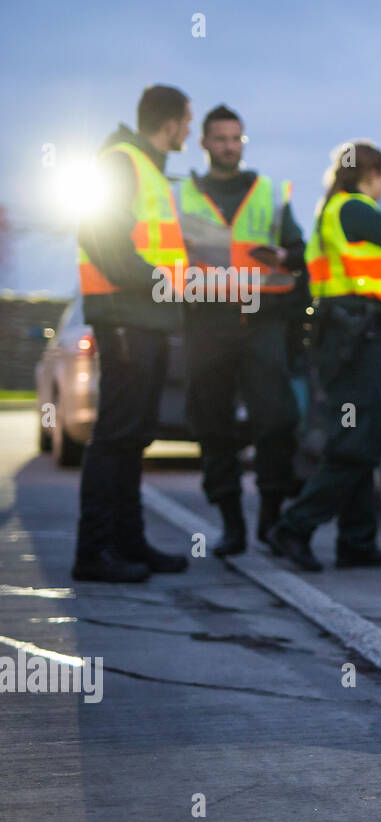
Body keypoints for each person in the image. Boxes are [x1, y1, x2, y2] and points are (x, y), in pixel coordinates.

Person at [266, 141, 381, 572]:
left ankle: (356, 540)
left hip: (346, 336)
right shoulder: (355, 208)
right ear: (374, 174)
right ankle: (293, 527)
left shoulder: (332, 208)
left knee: (360, 439)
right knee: (353, 441)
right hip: (353, 338)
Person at [174, 104, 307, 556]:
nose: (229, 147)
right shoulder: (182, 195)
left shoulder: (269, 192)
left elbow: (298, 252)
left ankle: (270, 519)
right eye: (221, 139)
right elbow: (164, 256)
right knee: (213, 426)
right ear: (205, 143)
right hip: (207, 325)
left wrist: (285, 259)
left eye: (236, 139)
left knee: (276, 421)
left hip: (261, 323)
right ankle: (231, 524)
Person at [73, 85, 193, 583]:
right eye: (187, 120)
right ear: (170, 123)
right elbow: (100, 236)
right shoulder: (122, 162)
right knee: (116, 436)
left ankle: (128, 543)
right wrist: (161, 282)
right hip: (127, 316)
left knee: (134, 437)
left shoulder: (147, 167)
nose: (189, 129)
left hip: (148, 319)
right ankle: (93, 553)